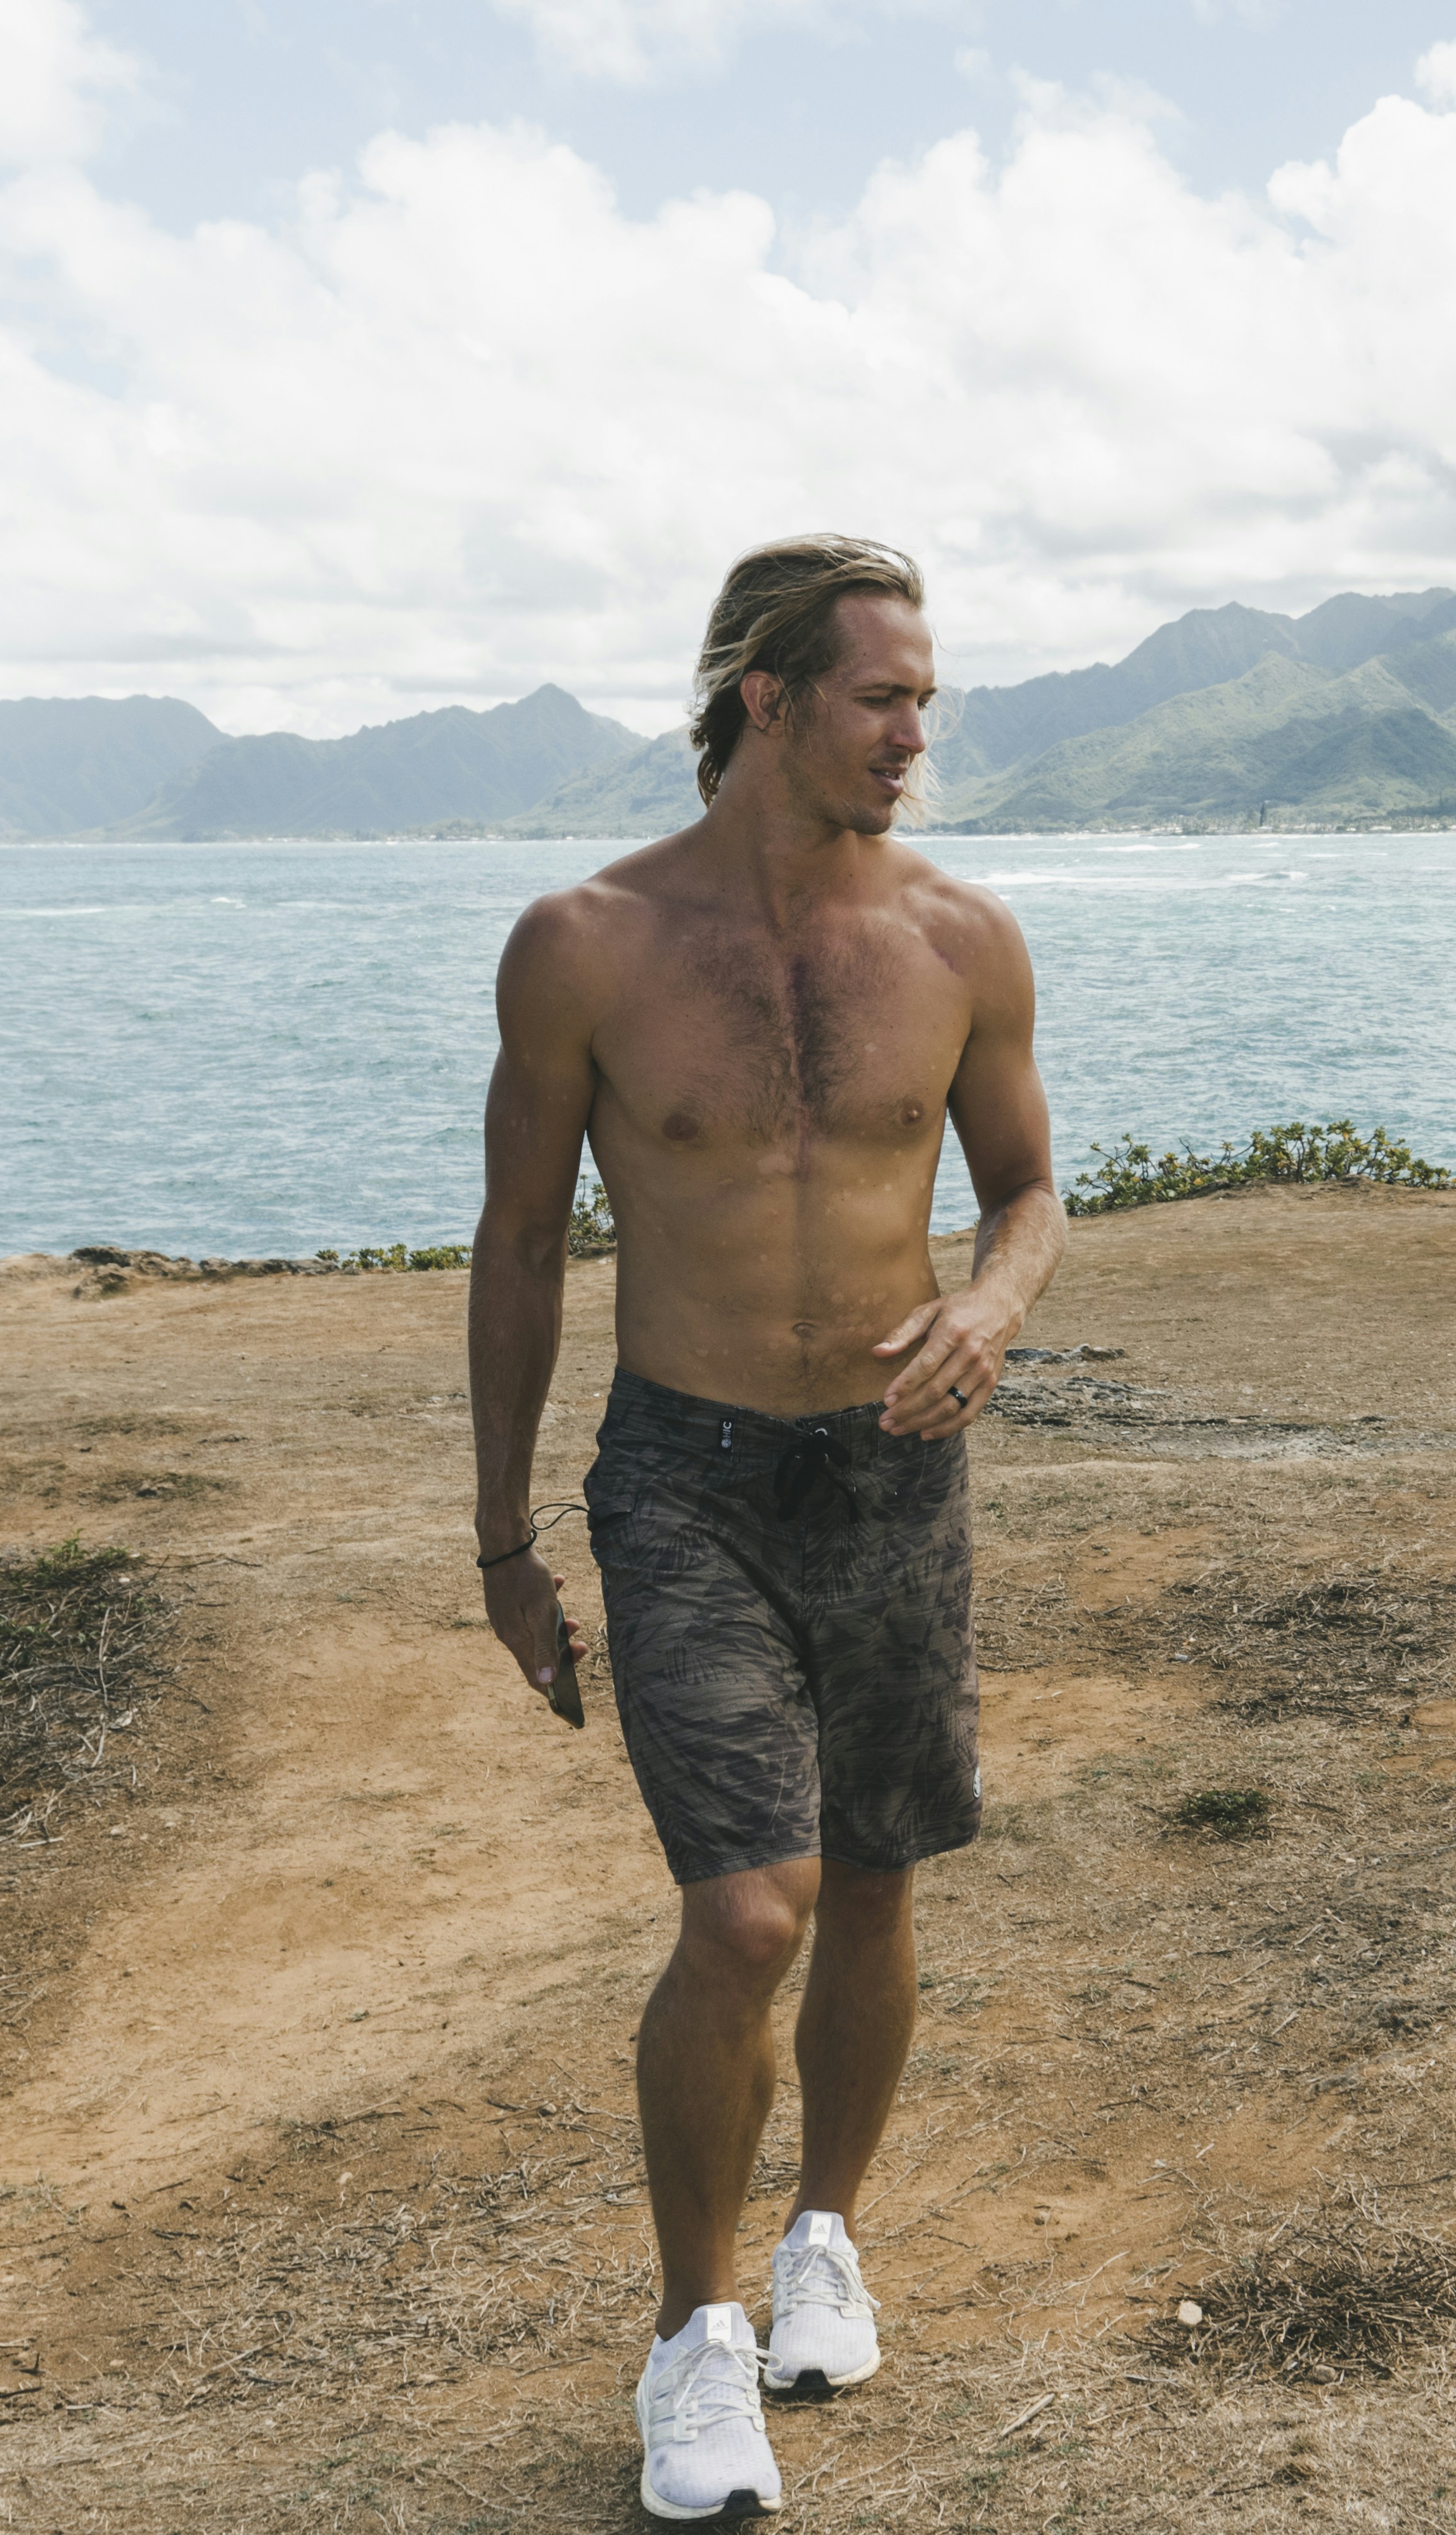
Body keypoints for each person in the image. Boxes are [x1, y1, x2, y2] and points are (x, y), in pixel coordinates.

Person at [468, 534, 1062, 2522]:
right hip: (683, 1477)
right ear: (766, 700)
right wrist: (500, 1543)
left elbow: (1031, 1195)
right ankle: (691, 2337)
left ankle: (827, 2236)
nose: (914, 736)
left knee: (878, 1878)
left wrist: (986, 1308)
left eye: (923, 701)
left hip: (893, 1477)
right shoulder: (585, 941)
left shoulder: (965, 937)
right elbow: (526, 1240)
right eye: (882, 698)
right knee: (747, 1906)